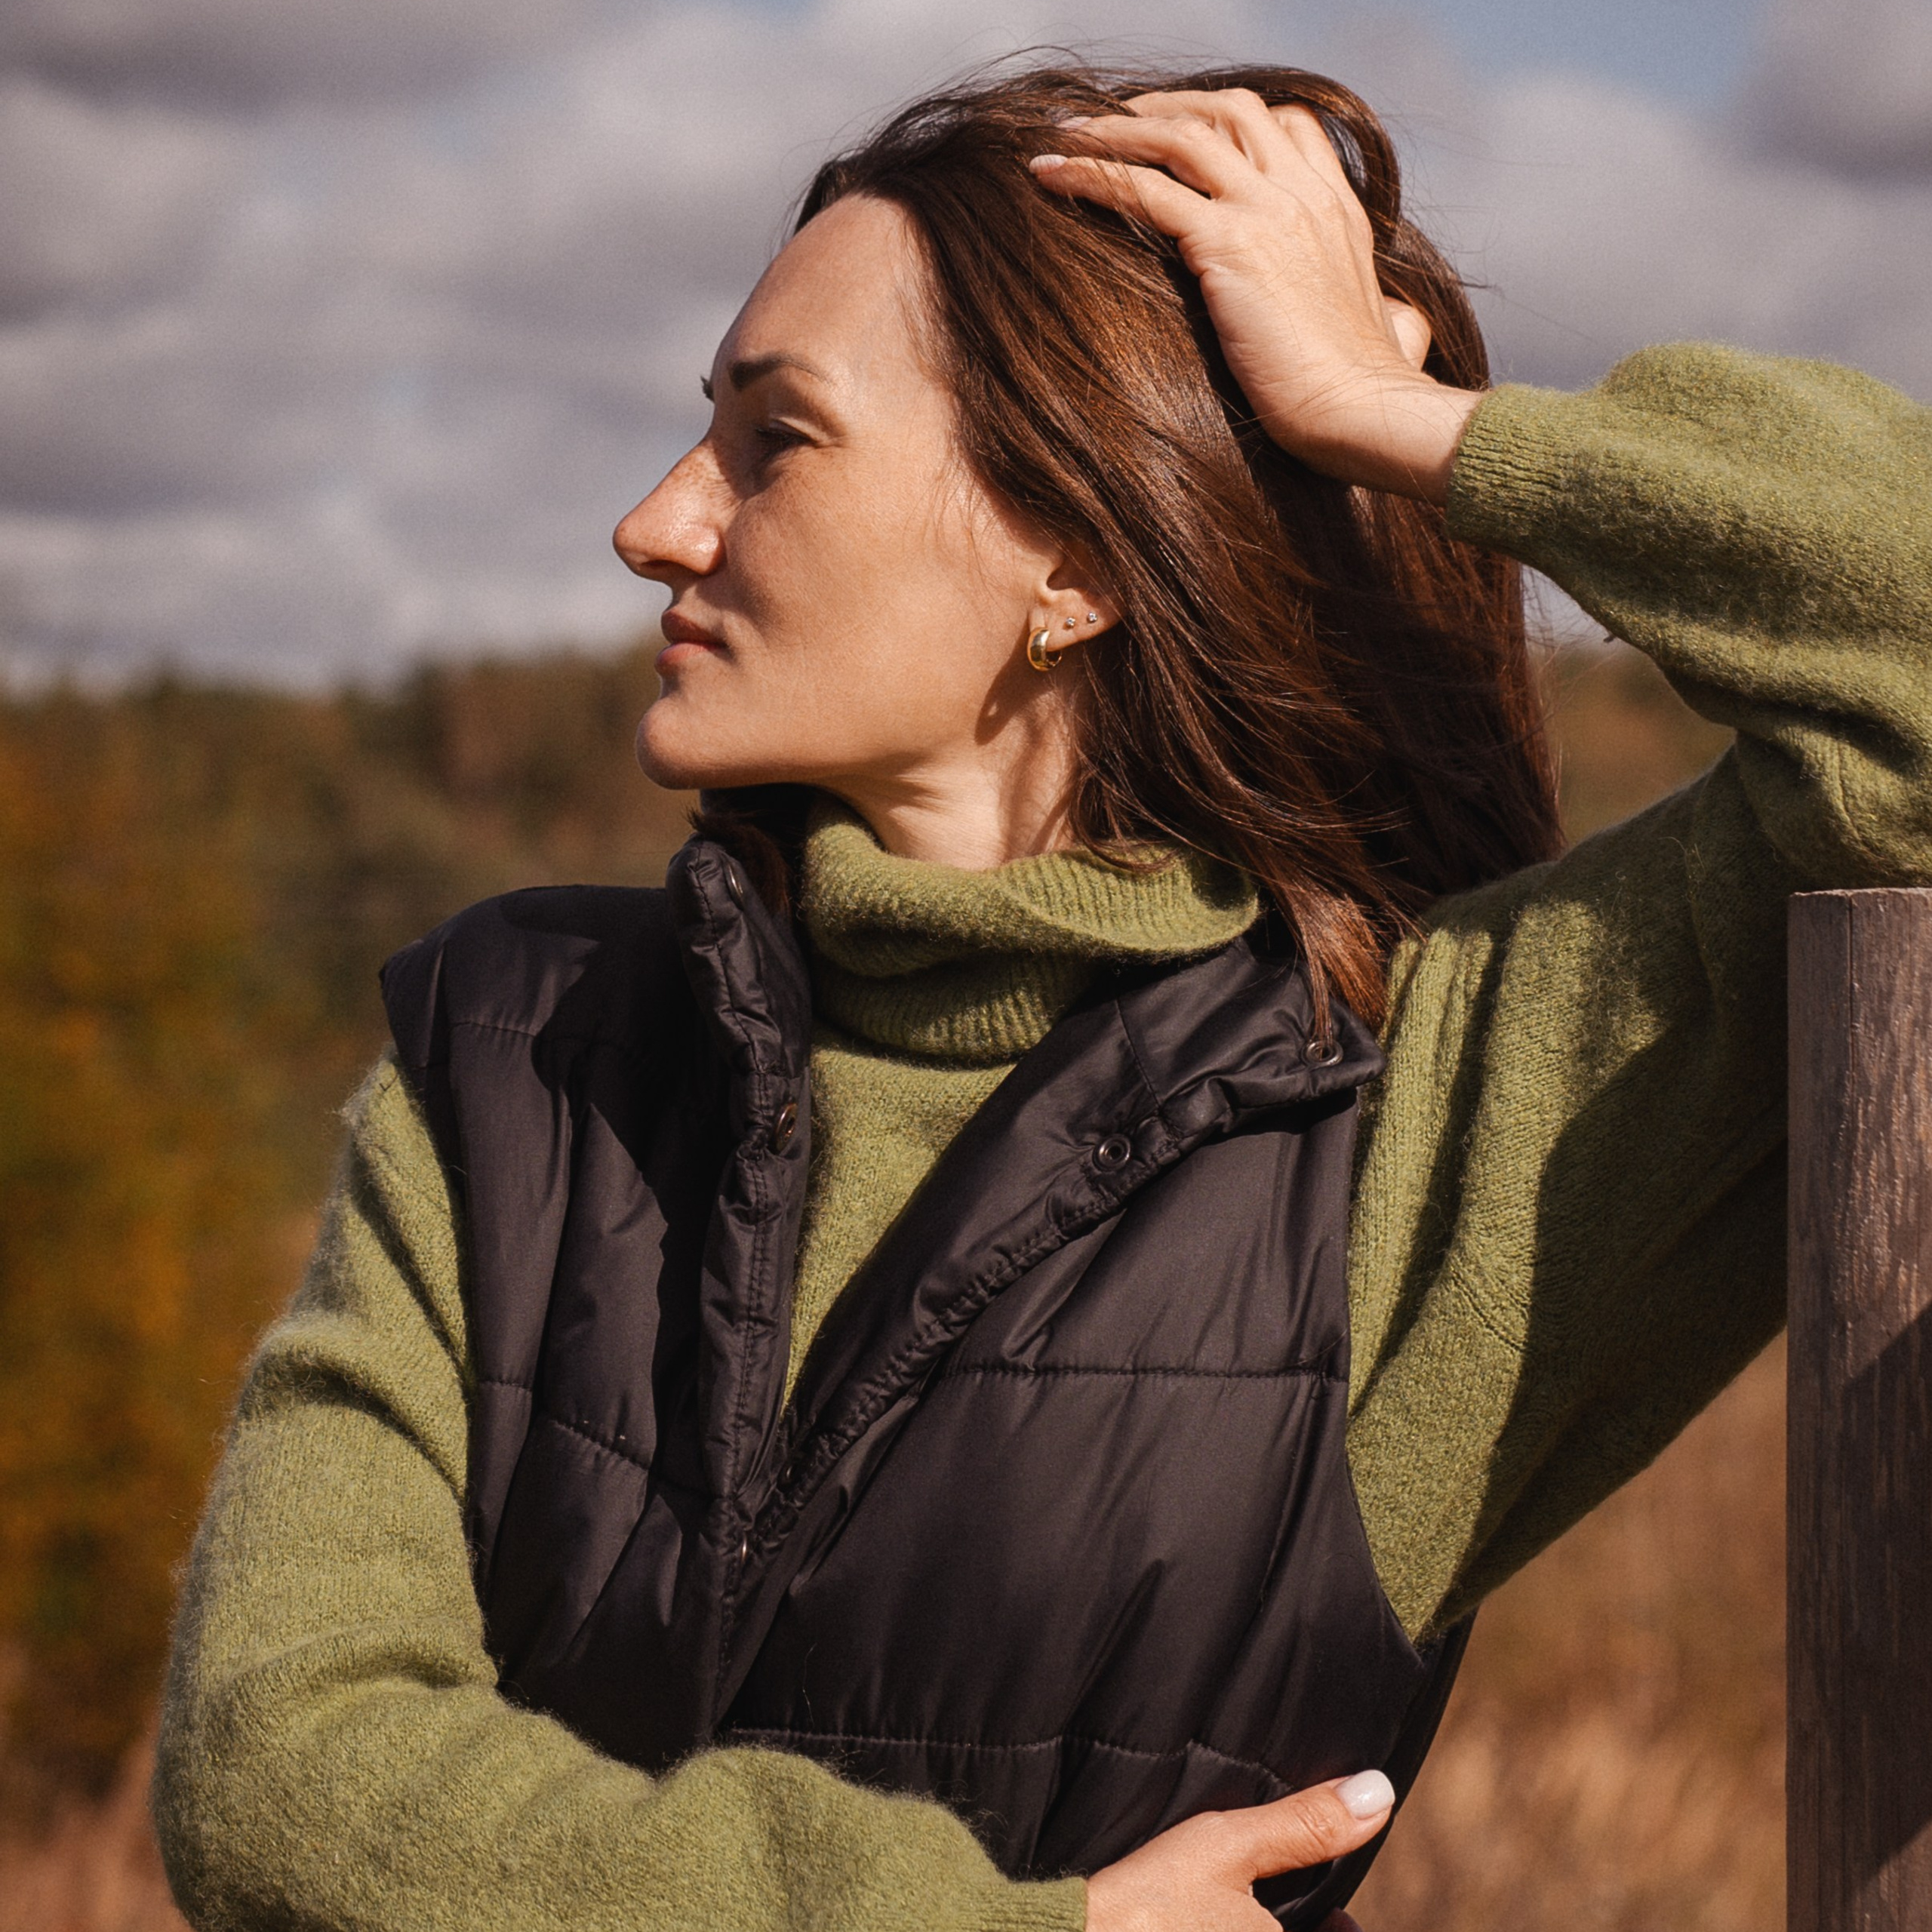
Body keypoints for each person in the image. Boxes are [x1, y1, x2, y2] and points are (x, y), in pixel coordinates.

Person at [152, 60, 1932, 1932]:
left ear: (1071, 557)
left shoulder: (1428, 1111)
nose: (657, 523)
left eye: (777, 440)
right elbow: (271, 1771)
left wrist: (1397, 416)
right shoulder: (518, 1046)